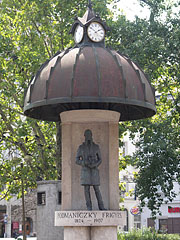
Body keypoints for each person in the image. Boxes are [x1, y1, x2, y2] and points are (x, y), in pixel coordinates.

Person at [76, 129, 106, 210]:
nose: (88, 136)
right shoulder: (81, 147)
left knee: (96, 188)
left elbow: (100, 159)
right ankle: (89, 207)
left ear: (91, 136)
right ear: (85, 136)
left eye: (90, 135)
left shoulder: (96, 147)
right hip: (85, 171)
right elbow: (77, 160)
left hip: (94, 170)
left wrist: (95, 164)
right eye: (87, 135)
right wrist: (84, 163)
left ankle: (101, 206)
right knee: (86, 189)